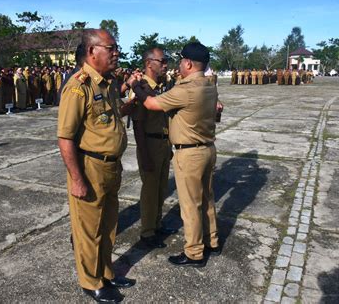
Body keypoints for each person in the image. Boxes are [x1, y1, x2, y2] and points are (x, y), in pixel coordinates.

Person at [57, 29, 135, 303]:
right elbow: (65, 137)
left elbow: (110, 118)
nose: (117, 52)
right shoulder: (79, 87)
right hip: (89, 167)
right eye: (111, 48)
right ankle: (91, 282)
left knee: (108, 224)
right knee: (89, 230)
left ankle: (106, 273)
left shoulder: (108, 83)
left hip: (111, 167)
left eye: (116, 47)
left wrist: (133, 104)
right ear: (92, 52)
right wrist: (77, 179)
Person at [129, 42, 220, 268]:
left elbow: (150, 103)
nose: (174, 65)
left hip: (190, 153)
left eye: (179, 60)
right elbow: (140, 123)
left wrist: (134, 86)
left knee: (190, 205)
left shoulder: (185, 88)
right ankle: (212, 240)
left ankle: (194, 252)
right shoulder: (209, 84)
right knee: (206, 199)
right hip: (206, 148)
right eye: (164, 61)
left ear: (188, 63)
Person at [132, 47, 177, 249]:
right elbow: (138, 124)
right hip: (149, 144)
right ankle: (147, 233)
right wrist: (144, 154)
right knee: (150, 190)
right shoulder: (142, 89)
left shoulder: (159, 87)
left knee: (161, 188)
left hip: (162, 142)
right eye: (162, 61)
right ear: (149, 63)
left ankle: (157, 225)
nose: (165, 65)